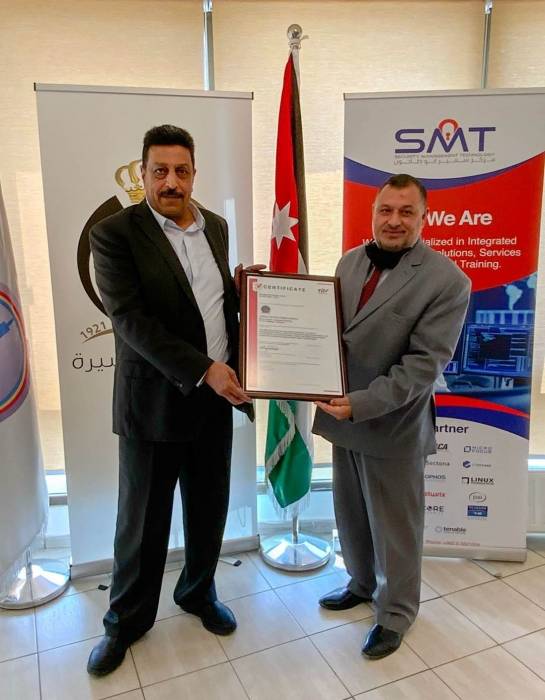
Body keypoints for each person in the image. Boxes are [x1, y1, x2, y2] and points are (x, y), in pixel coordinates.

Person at [87, 124, 258, 676]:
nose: (171, 182)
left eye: (181, 171)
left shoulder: (216, 228)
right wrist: (204, 369)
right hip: (153, 403)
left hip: (214, 401)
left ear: (193, 174)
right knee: (142, 523)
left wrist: (248, 294)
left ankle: (197, 591)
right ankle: (125, 622)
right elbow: (131, 321)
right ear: (142, 174)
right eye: (159, 171)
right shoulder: (114, 234)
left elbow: (212, 304)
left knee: (209, 508)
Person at [313, 173, 470, 660]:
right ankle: (361, 583)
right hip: (342, 416)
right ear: (373, 212)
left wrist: (361, 403)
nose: (394, 220)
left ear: (424, 218)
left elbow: (423, 366)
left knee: (396, 529)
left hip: (392, 422)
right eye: (386, 210)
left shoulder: (448, 281)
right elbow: (326, 333)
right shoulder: (349, 262)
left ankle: (396, 612)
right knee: (351, 513)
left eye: (406, 212)